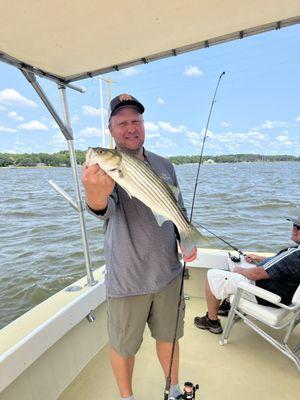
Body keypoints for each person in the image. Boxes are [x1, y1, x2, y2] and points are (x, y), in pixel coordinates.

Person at [82, 93, 197, 400]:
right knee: (123, 346)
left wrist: (185, 237)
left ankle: (173, 391)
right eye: (122, 123)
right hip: (127, 277)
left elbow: (176, 209)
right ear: (111, 129)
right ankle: (127, 398)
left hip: (168, 272)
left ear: (144, 124)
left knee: (169, 336)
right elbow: (100, 208)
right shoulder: (105, 169)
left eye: (136, 121)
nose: (130, 128)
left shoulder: (164, 164)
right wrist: (94, 194)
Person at [194, 217, 300, 334]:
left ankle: (211, 321)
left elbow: (257, 274)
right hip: (281, 292)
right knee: (235, 261)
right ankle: (228, 306)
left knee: (212, 275)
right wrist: (257, 258)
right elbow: (279, 263)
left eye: (298, 227)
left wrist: (241, 271)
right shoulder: (295, 252)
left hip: (265, 294)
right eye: (294, 225)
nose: (294, 229)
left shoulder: (295, 255)